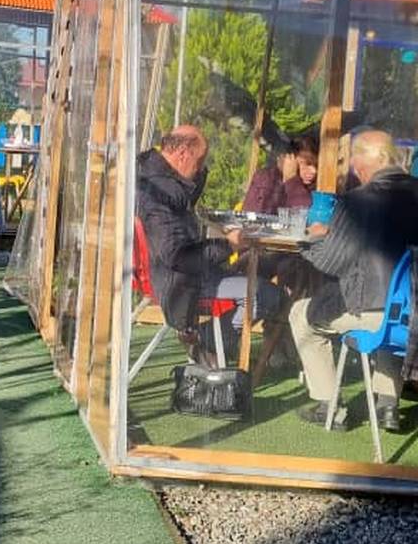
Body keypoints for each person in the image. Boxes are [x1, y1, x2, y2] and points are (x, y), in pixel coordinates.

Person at [290, 129, 418, 432]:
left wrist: (313, 237)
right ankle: (387, 405)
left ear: (362, 165)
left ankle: (329, 406)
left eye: (353, 163)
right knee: (396, 309)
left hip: (377, 314)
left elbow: (330, 262)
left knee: (300, 313)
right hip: (414, 316)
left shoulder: (355, 202)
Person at [136, 124, 279, 358]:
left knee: (258, 273)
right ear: (182, 154)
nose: (201, 169)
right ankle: (206, 340)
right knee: (266, 295)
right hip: (179, 285)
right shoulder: (160, 196)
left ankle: (210, 341)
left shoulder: (155, 179)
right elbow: (178, 256)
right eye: (200, 162)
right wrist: (229, 245)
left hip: (175, 276)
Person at [243, 136, 318, 215]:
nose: (313, 171)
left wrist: (292, 181)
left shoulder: (316, 187)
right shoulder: (267, 180)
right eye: (305, 164)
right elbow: (252, 216)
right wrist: (292, 180)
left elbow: (308, 215)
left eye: (316, 165)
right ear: (289, 160)